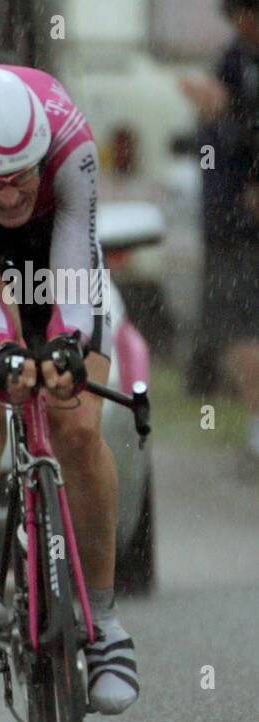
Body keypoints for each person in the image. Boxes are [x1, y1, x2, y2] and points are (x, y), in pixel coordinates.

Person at [0, 65, 139, 713]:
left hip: (57, 252)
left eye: (22, 177)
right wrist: (5, 350)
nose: (11, 194)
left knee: (75, 422)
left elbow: (75, 268)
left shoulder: (70, 146)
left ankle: (105, 623)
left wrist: (68, 348)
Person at [180, 0, 259, 476]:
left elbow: (246, 133)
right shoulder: (236, 60)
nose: (242, 25)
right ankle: (254, 427)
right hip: (226, 221)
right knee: (234, 332)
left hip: (243, 223)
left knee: (243, 331)